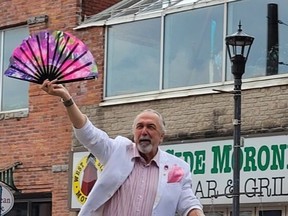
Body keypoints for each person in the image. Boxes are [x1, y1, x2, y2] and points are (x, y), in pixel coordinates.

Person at [41, 79, 205, 216]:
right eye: (139, 127)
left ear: (162, 136)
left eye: (151, 127)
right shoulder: (117, 151)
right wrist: (67, 99)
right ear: (134, 133)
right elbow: (87, 134)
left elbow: (188, 203)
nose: (144, 131)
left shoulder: (176, 169)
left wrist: (196, 212)